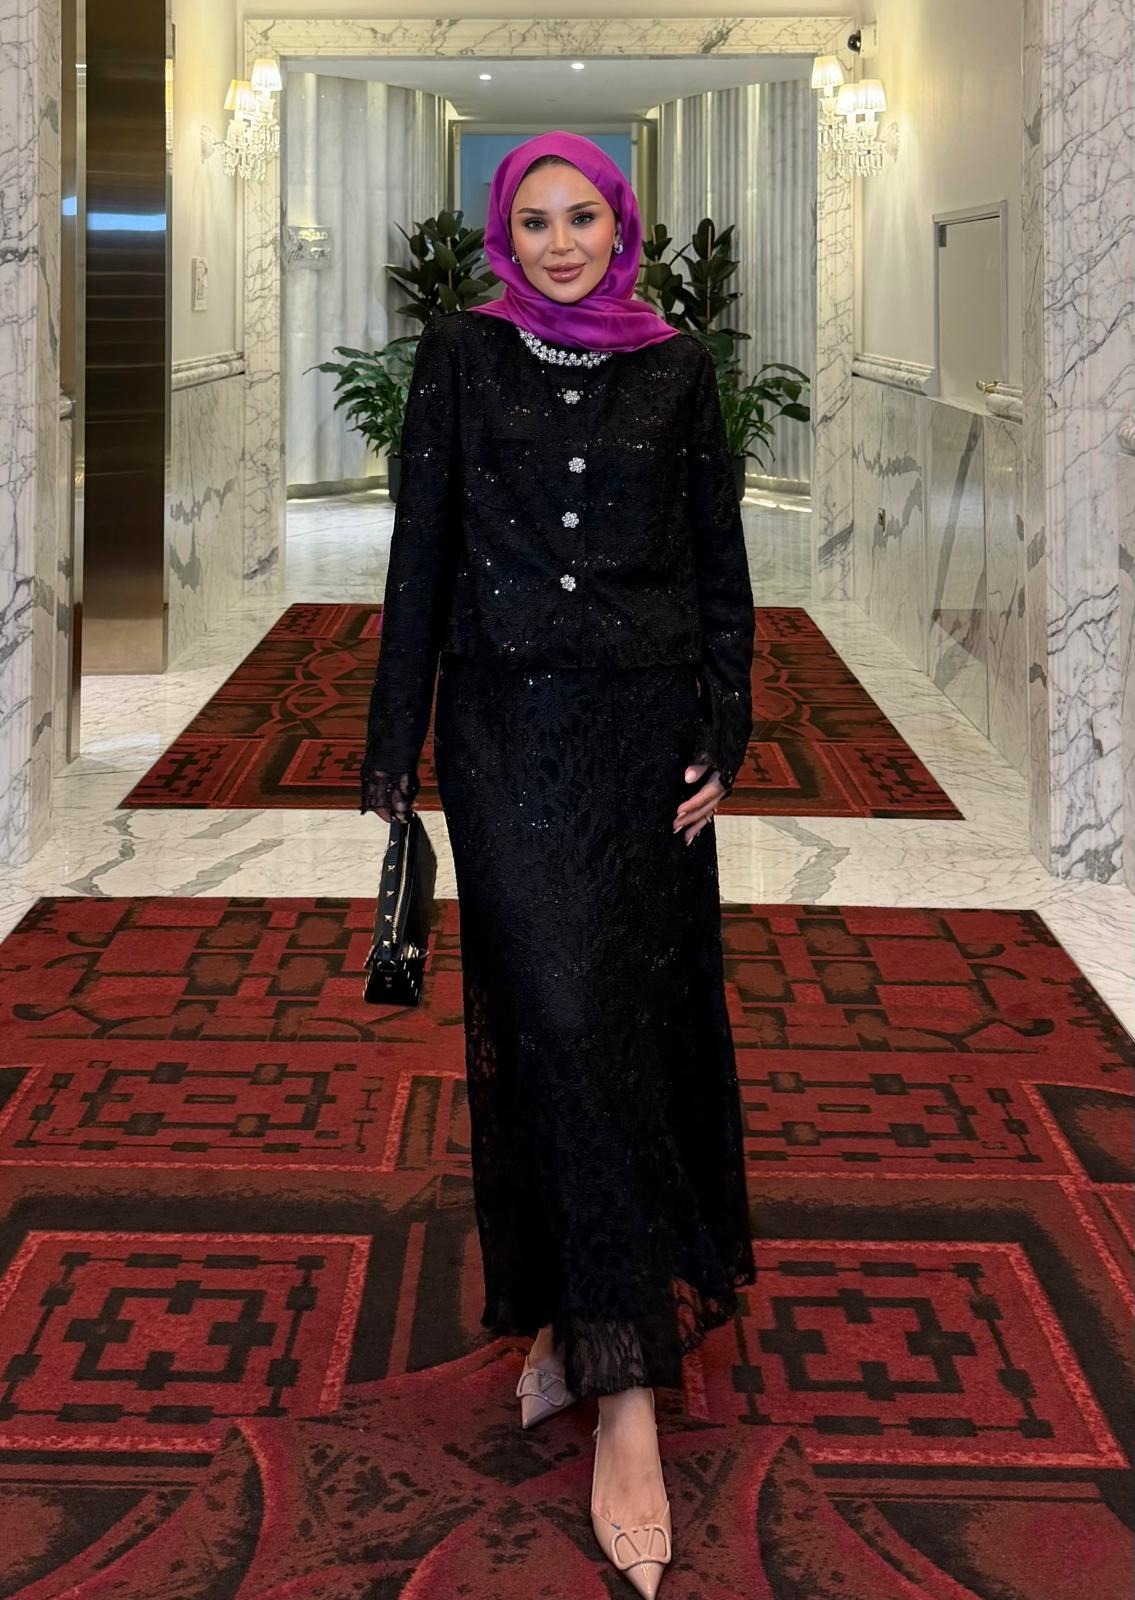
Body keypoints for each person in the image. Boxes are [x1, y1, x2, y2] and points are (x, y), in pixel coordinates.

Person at [360, 129, 756, 1598]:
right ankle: (612, 1366)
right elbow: (422, 552)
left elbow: (718, 560)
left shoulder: (679, 366)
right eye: (534, 220)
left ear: (621, 223)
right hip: (507, 741)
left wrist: (726, 728)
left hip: (645, 747)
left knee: (616, 1030)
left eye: (583, 216)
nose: (561, 242)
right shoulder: (462, 359)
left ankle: (597, 1349)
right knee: (553, 1024)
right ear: (502, 235)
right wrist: (394, 751)